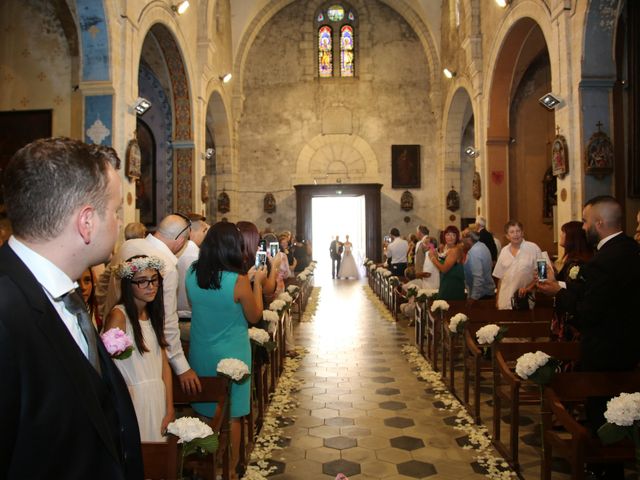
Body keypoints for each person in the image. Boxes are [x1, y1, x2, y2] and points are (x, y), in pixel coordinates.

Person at [0, 137, 142, 478]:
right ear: (87, 222)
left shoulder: (65, 292)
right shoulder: (6, 312)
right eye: (116, 211)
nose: (118, 223)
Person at [537, 196, 640, 478]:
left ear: (599, 223)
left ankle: (602, 469)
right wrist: (563, 286)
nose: (582, 227)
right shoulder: (632, 250)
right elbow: (604, 297)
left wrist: (559, 294)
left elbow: (587, 314)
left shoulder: (603, 261)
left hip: (605, 351)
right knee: (623, 415)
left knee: (602, 415)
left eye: (585, 220)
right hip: (631, 350)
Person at [186, 222, 266, 479]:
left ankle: (205, 465)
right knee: (233, 415)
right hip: (232, 356)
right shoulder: (238, 279)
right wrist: (258, 283)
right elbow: (254, 316)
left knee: (203, 409)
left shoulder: (192, 272)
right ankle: (229, 471)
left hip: (201, 351)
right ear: (234, 247)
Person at [103, 213, 201, 395]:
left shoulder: (127, 245)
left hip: (114, 335)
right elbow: (168, 322)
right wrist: (182, 367)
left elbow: (103, 283)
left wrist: (104, 315)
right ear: (180, 240)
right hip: (145, 346)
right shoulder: (166, 267)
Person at [104, 255, 174, 442]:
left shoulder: (152, 314)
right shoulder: (119, 316)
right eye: (142, 281)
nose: (150, 286)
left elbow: (164, 365)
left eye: (154, 280)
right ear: (129, 284)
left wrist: (170, 407)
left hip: (157, 395)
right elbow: (107, 367)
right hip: (135, 398)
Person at [549, 220, 593, 341]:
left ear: (573, 238)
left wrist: (555, 284)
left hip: (572, 317)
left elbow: (574, 289)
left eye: (564, 233)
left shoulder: (577, 264)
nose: (561, 235)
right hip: (565, 312)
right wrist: (554, 275)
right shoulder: (572, 259)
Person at [492, 221, 542, 309]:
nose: (515, 234)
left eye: (518, 231)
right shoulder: (503, 251)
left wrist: (528, 288)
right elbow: (500, 279)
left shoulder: (534, 248)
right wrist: (497, 299)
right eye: (512, 232)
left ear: (522, 233)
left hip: (524, 301)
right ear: (507, 236)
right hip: (504, 301)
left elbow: (543, 274)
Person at [176, 213, 210, 340]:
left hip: (174, 319)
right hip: (192, 319)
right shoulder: (197, 256)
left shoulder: (175, 251)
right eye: (204, 230)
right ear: (192, 231)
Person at [428, 225, 466, 300]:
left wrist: (432, 258)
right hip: (445, 282)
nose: (450, 237)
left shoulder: (455, 250)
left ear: (457, 237)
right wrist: (436, 256)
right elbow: (442, 263)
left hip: (453, 284)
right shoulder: (446, 248)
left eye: (453, 235)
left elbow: (444, 269)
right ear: (444, 236)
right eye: (448, 234)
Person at [461, 230, 496, 301]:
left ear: (469, 239)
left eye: (463, 239)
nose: (462, 242)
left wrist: (473, 297)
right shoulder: (482, 245)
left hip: (481, 294)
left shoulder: (474, 252)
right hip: (487, 291)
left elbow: (478, 277)